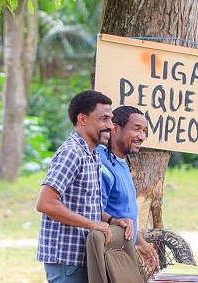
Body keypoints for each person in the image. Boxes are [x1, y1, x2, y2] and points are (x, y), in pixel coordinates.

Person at [36, 90, 115, 283]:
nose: (110, 126)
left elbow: (85, 204)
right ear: (82, 119)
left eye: (110, 120)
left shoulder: (93, 153)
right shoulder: (72, 153)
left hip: (84, 257)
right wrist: (91, 224)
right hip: (67, 262)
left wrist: (112, 220)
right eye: (104, 119)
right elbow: (45, 203)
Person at [98, 105, 160, 272]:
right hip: (105, 258)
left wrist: (140, 243)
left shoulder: (121, 161)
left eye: (144, 131)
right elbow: (93, 211)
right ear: (115, 129)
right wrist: (113, 222)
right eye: (136, 129)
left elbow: (122, 214)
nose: (141, 136)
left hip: (120, 254)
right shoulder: (101, 163)